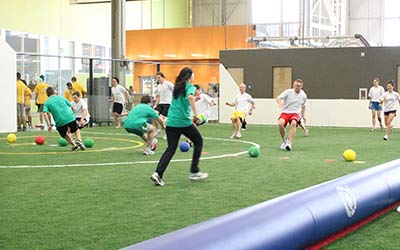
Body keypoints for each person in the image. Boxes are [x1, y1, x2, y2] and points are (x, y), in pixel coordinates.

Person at [150, 67, 208, 186]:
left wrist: (192, 100)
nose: (193, 77)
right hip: (183, 122)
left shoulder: (177, 87)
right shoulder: (190, 87)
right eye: (193, 75)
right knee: (199, 141)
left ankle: (158, 174)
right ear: (189, 77)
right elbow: (190, 97)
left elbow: (185, 100)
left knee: (170, 149)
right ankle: (194, 171)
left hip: (171, 122)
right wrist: (196, 115)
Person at [43, 87, 85, 151]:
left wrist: (48, 125)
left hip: (60, 121)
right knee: (76, 129)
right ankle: (79, 140)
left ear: (47, 94)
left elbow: (45, 114)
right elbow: (70, 105)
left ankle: (74, 145)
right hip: (70, 117)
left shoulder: (47, 103)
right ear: (54, 92)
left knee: (64, 134)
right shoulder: (60, 97)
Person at [276, 79, 307, 151]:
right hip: (285, 112)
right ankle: (284, 141)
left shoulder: (303, 95)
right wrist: (280, 102)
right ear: (293, 85)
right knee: (280, 123)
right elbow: (278, 98)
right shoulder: (288, 92)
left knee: (293, 123)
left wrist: (303, 115)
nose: (297, 87)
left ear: (301, 86)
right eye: (296, 85)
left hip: (296, 113)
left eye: (299, 86)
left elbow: (303, 106)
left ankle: (289, 143)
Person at [153, 72, 174, 138]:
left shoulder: (168, 84)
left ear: (163, 77)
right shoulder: (158, 86)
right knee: (154, 115)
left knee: (162, 119)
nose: (158, 79)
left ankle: (165, 133)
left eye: (159, 77)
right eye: (157, 78)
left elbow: (176, 91)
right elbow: (158, 96)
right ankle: (158, 129)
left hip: (168, 104)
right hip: (161, 104)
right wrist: (155, 105)